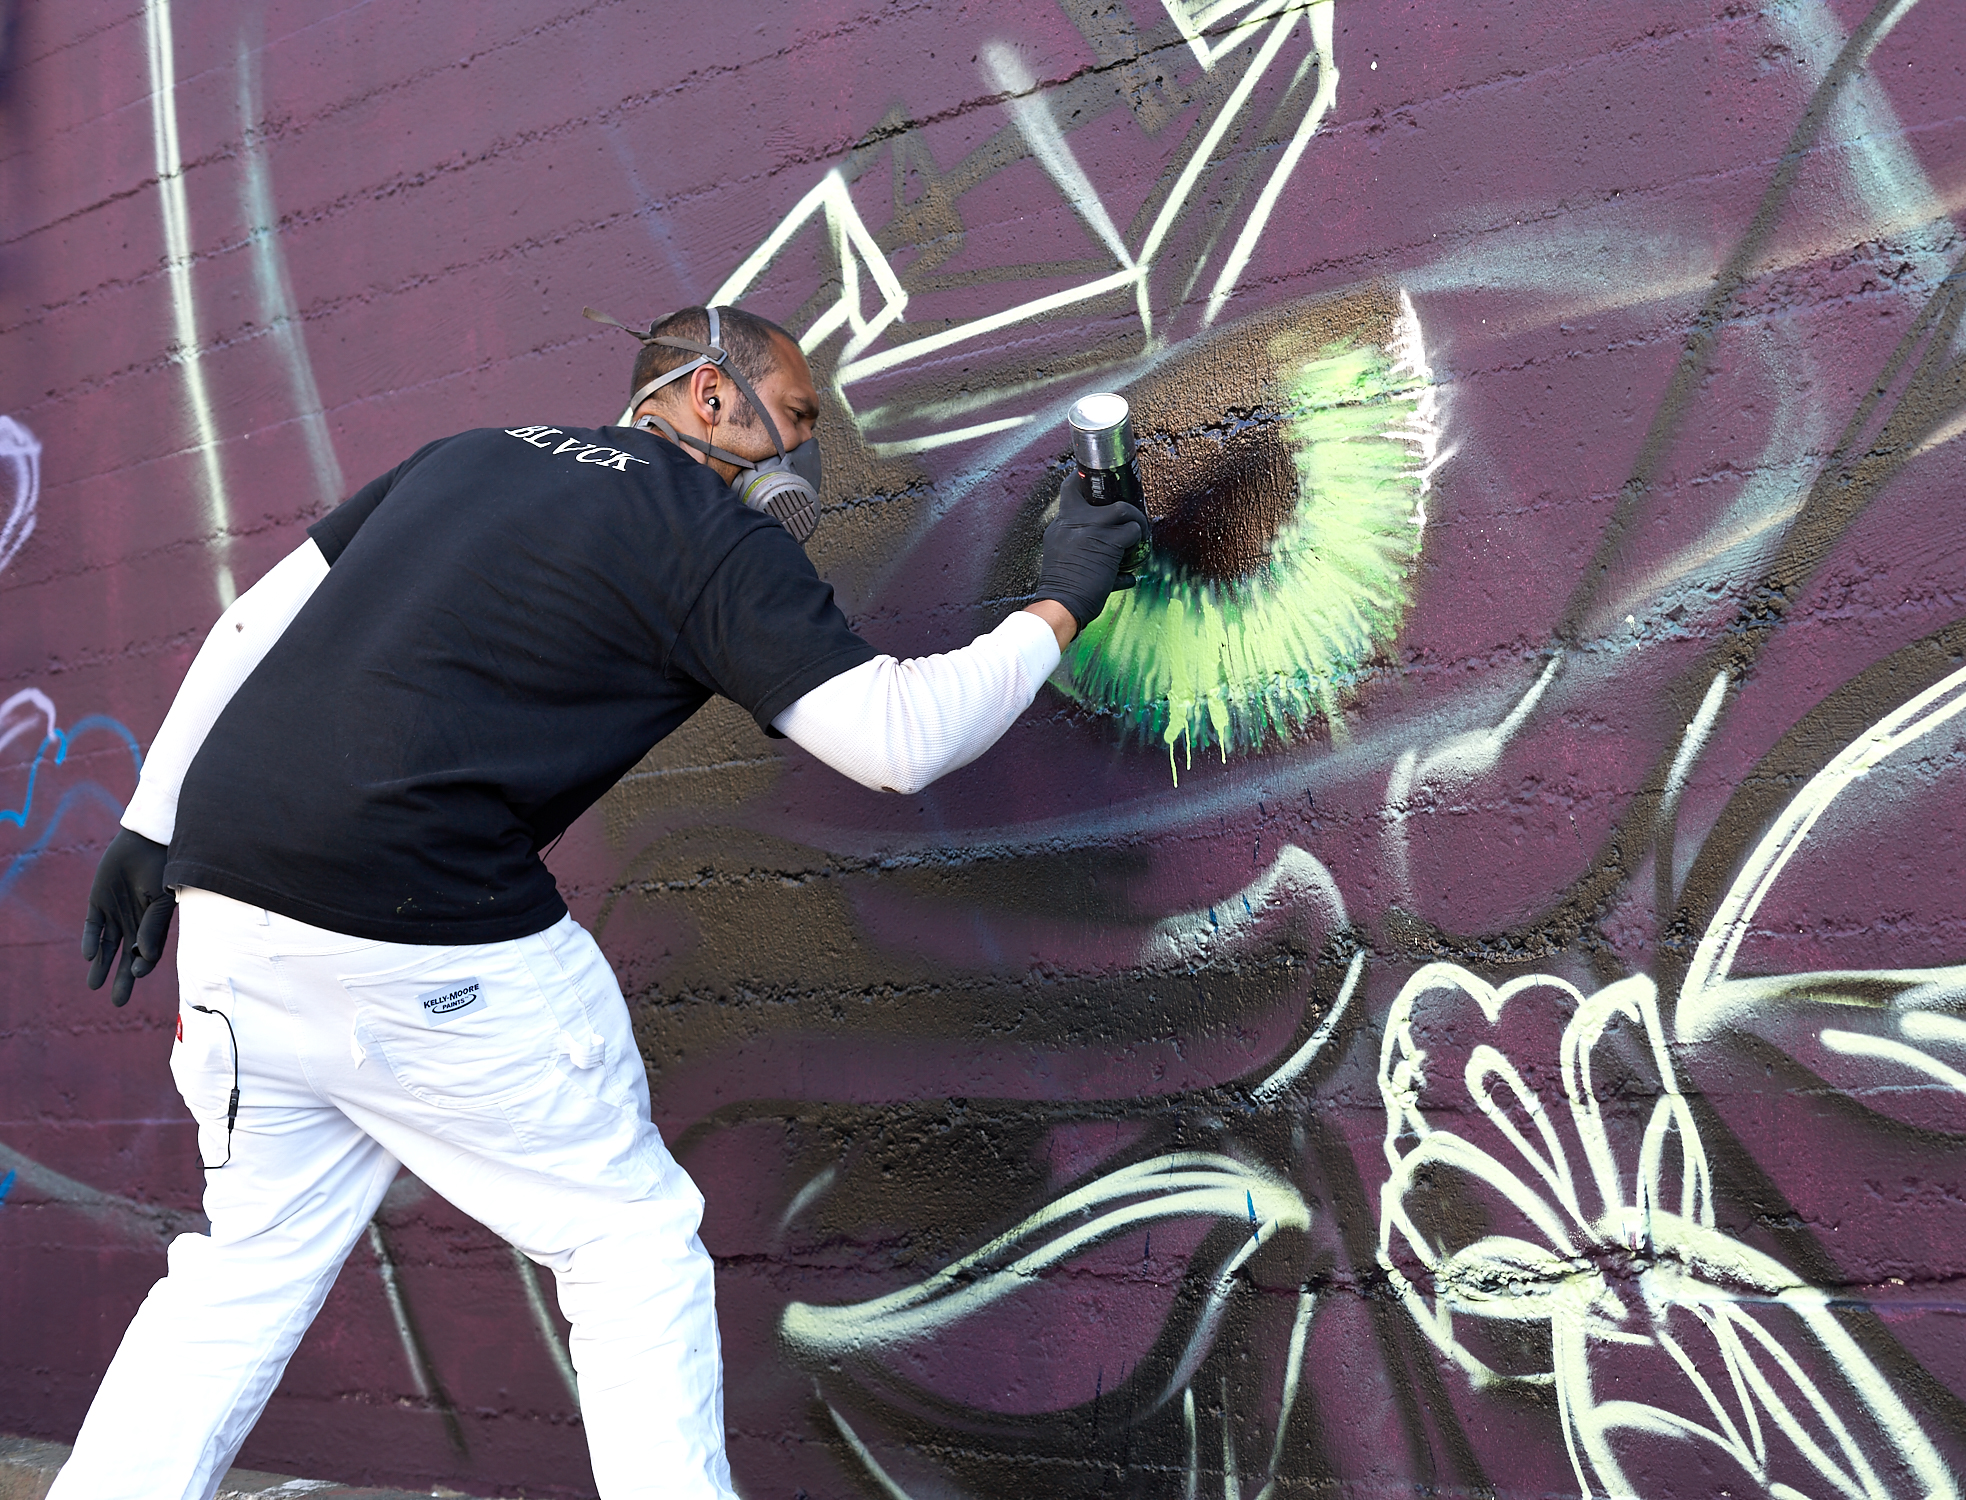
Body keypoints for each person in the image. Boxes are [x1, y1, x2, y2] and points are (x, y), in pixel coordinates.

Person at [59, 304, 1150, 1500]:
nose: (806, 455)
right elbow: (897, 738)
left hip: (229, 916)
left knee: (242, 1272)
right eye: (794, 418)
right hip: (422, 927)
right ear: (709, 396)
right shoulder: (703, 534)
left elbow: (250, 622)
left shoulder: (464, 456)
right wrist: (1063, 597)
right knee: (628, 1247)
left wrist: (149, 826)